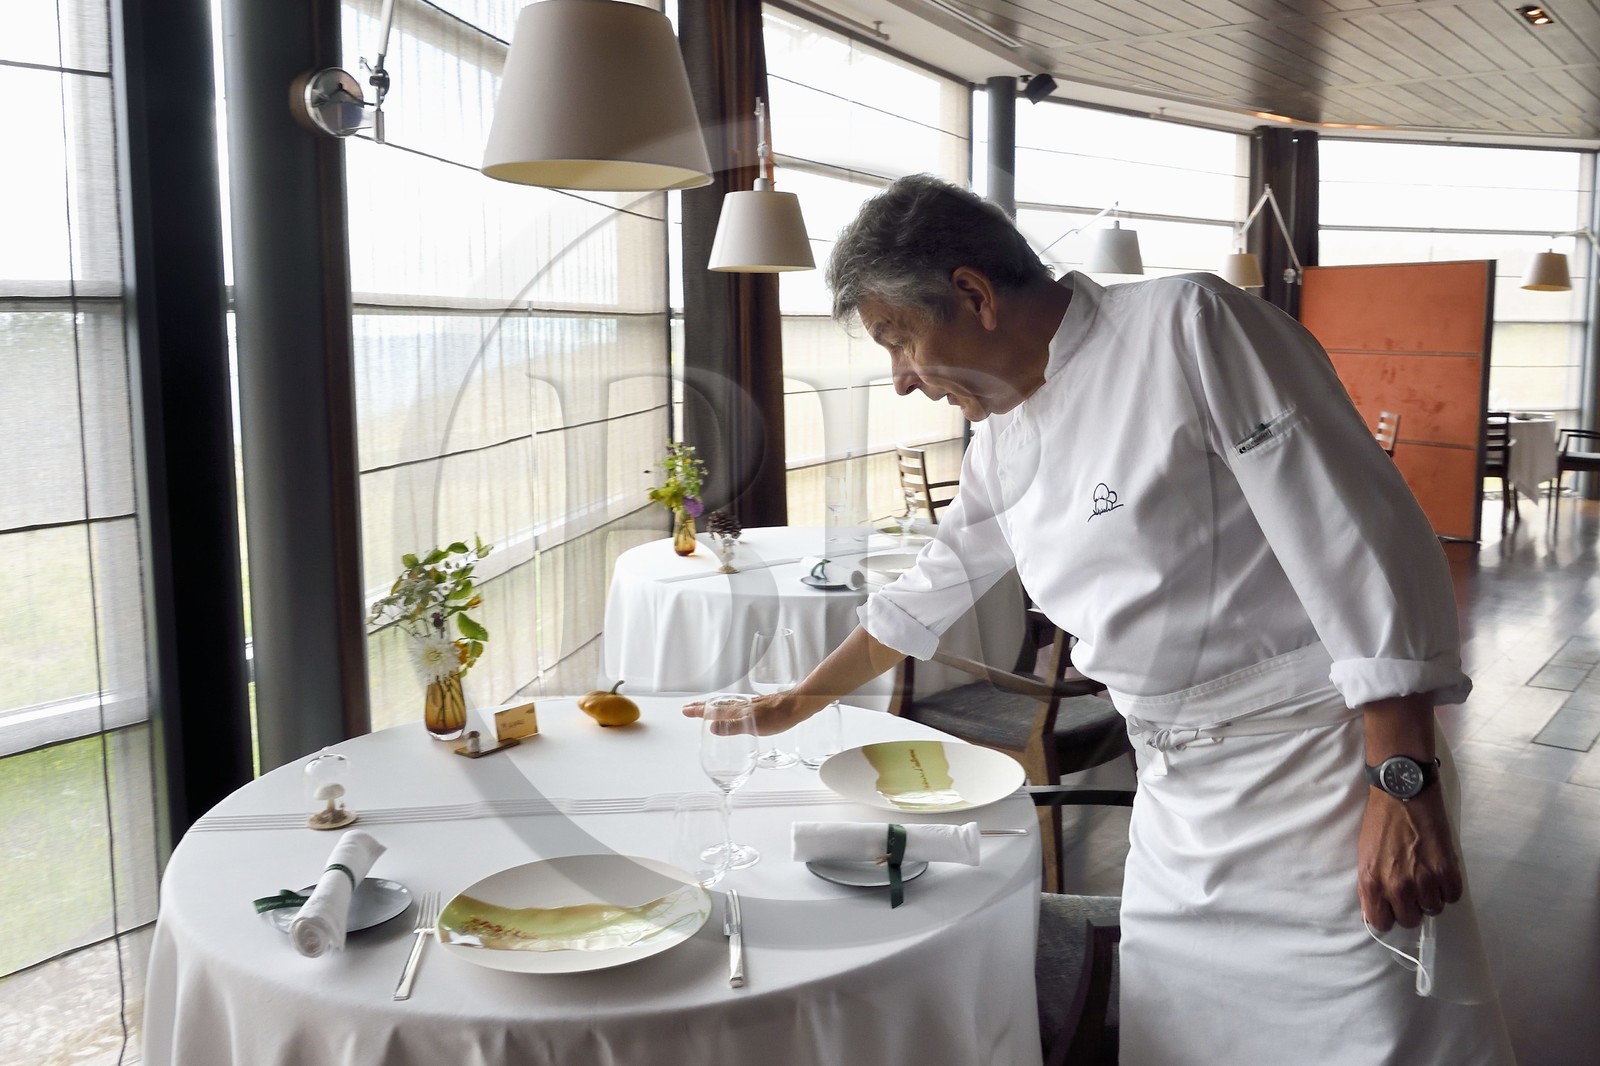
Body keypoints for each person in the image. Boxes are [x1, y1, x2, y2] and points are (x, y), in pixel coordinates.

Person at [687, 174, 1515, 1063]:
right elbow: (930, 587)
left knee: (1364, 1036)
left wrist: (1403, 778)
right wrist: (793, 704)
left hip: (1315, 772)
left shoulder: (1187, 326)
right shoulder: (1005, 437)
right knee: (1181, 1037)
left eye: (900, 340)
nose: (901, 380)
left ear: (972, 294)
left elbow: (1358, 534)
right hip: (1176, 801)